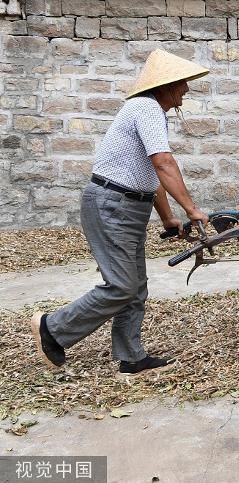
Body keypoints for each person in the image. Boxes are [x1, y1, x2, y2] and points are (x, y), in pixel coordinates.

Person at [28, 49, 210, 375]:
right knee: (122, 285)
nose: (186, 89)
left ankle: (131, 356)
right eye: (182, 82)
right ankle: (52, 329)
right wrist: (192, 209)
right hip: (111, 204)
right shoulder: (146, 107)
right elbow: (163, 163)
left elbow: (150, 176)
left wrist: (169, 218)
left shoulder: (151, 112)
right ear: (165, 85)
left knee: (135, 286)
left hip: (126, 206)